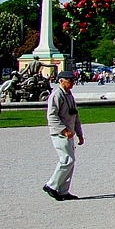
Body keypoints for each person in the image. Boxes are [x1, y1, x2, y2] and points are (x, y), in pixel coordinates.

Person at [42, 70, 84, 201]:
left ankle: (63, 191)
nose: (72, 84)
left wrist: (80, 134)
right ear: (61, 81)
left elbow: (75, 116)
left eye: (73, 81)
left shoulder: (69, 95)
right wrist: (64, 129)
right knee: (67, 160)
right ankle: (51, 185)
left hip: (69, 133)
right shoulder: (56, 95)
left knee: (70, 162)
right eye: (69, 81)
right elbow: (52, 116)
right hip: (60, 134)